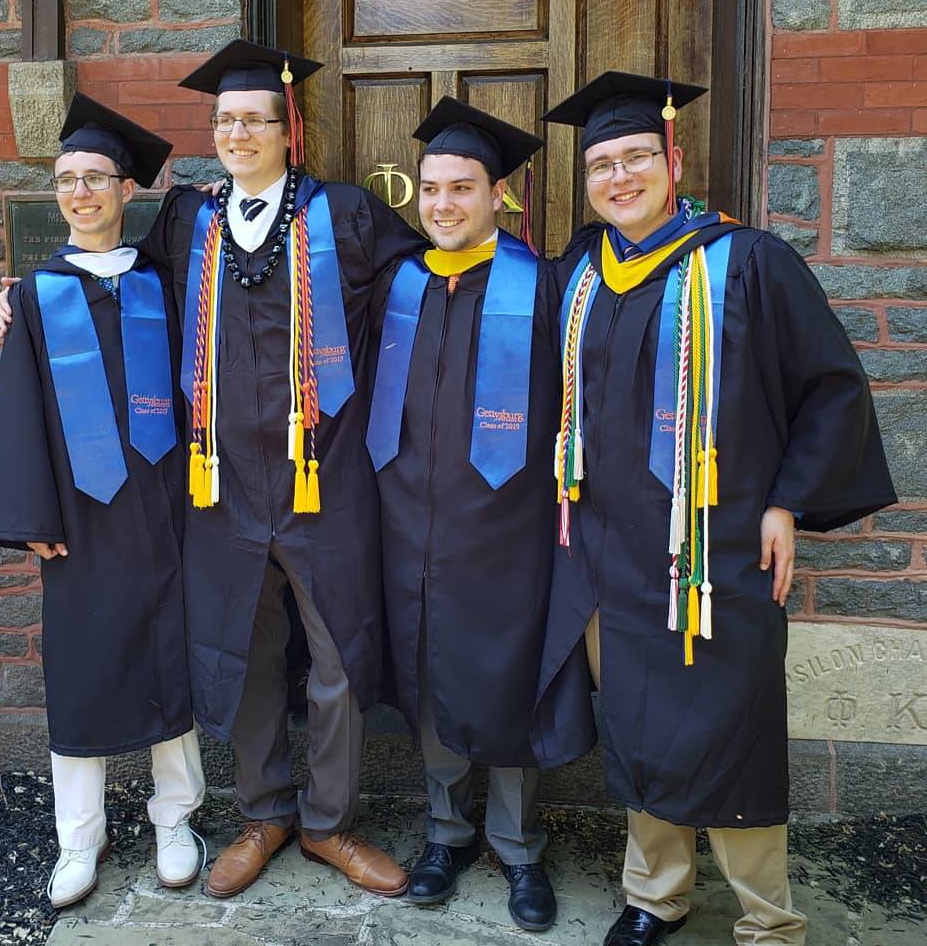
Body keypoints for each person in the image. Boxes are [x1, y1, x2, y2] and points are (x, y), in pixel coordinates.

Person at [533, 71, 896, 946]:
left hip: (715, 544)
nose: (619, 178)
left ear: (673, 159)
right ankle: (654, 895)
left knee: (729, 720)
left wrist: (788, 505)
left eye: (635, 159)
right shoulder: (581, 269)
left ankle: (768, 919)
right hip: (609, 549)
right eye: (601, 165)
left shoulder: (749, 261)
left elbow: (831, 389)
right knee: (640, 718)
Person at [139, 39, 426, 899]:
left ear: (287, 129)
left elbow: (435, 283)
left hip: (323, 475)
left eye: (254, 120)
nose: (237, 133)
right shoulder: (190, 218)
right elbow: (130, 297)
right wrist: (27, 296)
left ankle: (331, 824)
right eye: (225, 121)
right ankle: (263, 812)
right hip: (220, 480)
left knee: (338, 652)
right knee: (245, 649)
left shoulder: (344, 214)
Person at [367, 98, 597, 932]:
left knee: (506, 680)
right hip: (408, 528)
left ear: (498, 193)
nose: (441, 206)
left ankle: (519, 846)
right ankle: (446, 832)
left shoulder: (545, 286)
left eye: (461, 188)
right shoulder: (399, 284)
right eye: (430, 190)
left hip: (508, 532)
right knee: (430, 680)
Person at [0, 94, 206, 909]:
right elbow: (19, 414)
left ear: (126, 189)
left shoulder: (165, 283)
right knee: (81, 672)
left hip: (167, 509)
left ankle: (177, 821)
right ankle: (81, 837)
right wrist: (32, 521)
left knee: (167, 662)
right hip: (79, 519)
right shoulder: (36, 298)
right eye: (66, 179)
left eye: (95, 177)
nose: (79, 192)